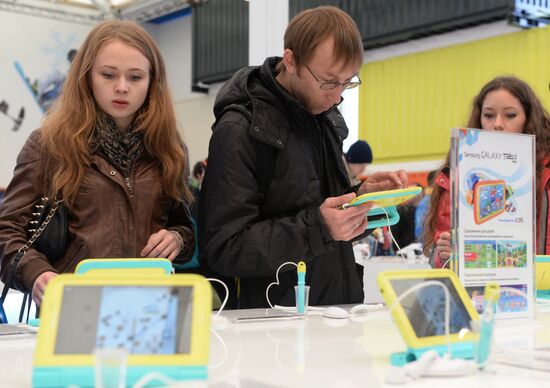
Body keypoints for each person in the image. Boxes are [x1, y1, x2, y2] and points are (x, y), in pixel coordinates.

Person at [199, 6, 406, 308]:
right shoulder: (240, 130)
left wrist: (362, 198)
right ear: (291, 61)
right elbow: (225, 248)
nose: (337, 96)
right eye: (328, 81)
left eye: (348, 81)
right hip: (272, 325)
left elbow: (327, 218)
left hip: (336, 311)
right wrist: (319, 228)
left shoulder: (324, 120)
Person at [0, 20, 195, 306]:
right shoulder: (49, 145)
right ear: (87, 77)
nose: (121, 87)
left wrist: (178, 239)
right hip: (73, 310)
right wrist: (36, 272)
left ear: (153, 82)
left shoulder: (170, 149)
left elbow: (183, 225)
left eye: (135, 77)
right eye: (108, 74)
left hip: (149, 309)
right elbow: (6, 232)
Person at [423, 76, 550, 267]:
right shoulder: (459, 175)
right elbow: (437, 260)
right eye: (489, 115)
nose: (497, 124)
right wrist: (446, 255)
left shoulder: (545, 174)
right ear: (480, 118)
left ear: (528, 118)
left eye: (510, 115)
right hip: (479, 292)